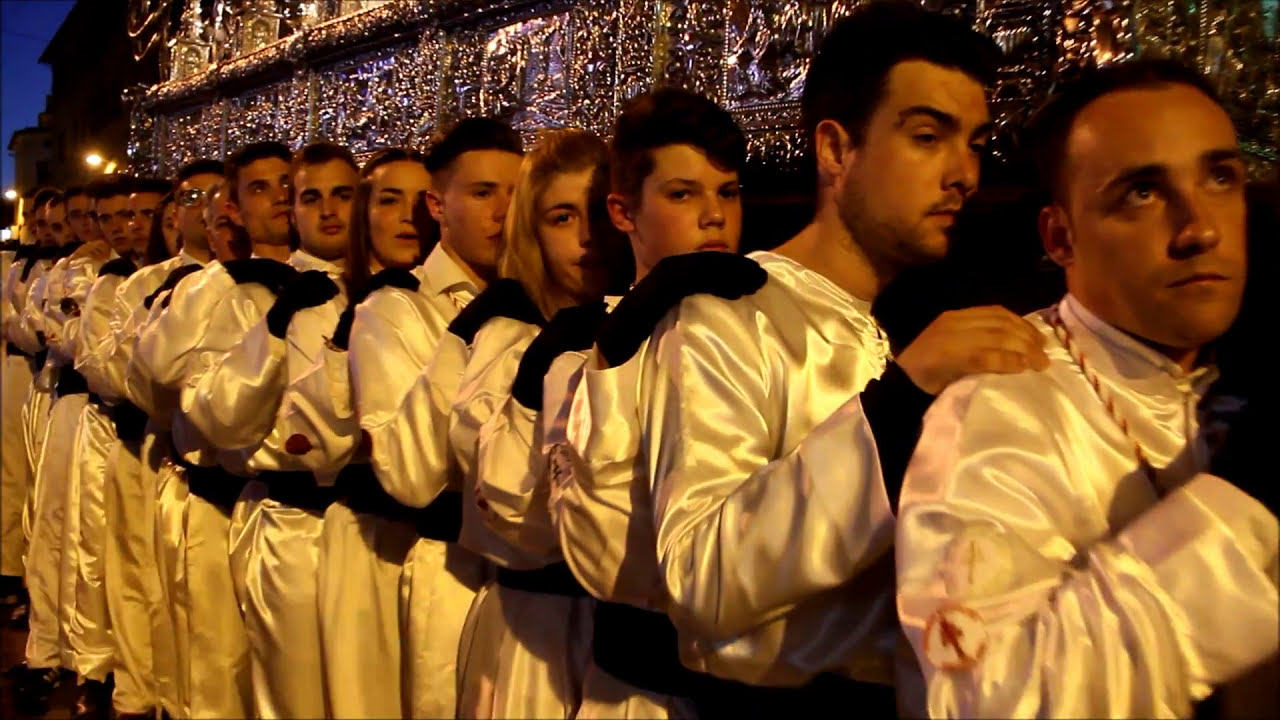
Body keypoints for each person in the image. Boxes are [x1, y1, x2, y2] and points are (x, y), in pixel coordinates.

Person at [635, 3, 1048, 714]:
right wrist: (900, 405)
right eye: (927, 137)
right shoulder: (732, 314)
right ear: (834, 149)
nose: (965, 175)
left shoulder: (911, 317)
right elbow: (700, 578)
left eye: (976, 143)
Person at [896, 58, 1277, 719]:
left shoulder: (1236, 373)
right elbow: (989, 698)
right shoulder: (1001, 408)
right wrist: (1247, 506)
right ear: (1060, 237)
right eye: (1142, 193)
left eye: (1220, 178)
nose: (1200, 230)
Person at [547, 86, 751, 718]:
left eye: (729, 192)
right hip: (640, 694)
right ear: (623, 211)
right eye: (683, 193)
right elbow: (599, 550)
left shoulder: (768, 335)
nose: (714, 215)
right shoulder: (581, 353)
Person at [339, 118, 522, 718]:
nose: (502, 210)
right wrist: (467, 336)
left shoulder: (541, 299)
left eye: (515, 193)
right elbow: (411, 473)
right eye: (482, 192)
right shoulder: (396, 309)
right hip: (450, 570)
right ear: (438, 206)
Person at [439, 128, 616, 719]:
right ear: (532, 231)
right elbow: (497, 494)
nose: (587, 238)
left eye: (596, 213)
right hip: (536, 629)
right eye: (563, 217)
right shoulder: (512, 338)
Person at [180, 141, 358, 718]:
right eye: (311, 198)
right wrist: (275, 329)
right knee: (295, 695)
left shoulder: (388, 291)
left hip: (373, 532)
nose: (329, 211)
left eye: (344, 196)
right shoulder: (248, 296)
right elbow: (219, 415)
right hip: (292, 529)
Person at [309, 146, 436, 719]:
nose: (411, 215)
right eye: (390, 199)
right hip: (367, 538)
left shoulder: (464, 303)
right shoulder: (333, 306)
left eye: (422, 199)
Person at [124, 159, 224, 719]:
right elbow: (147, 385)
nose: (208, 208)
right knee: (196, 637)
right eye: (193, 198)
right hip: (193, 475)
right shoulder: (158, 286)